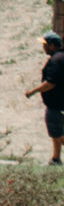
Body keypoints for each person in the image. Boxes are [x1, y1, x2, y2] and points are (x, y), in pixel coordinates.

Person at [26, 32, 64, 165]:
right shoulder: (61, 57)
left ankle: (56, 158)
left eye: (45, 45)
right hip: (59, 104)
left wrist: (33, 91)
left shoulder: (55, 60)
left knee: (57, 133)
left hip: (57, 104)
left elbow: (50, 83)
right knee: (56, 132)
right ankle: (56, 158)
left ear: (52, 46)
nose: (43, 47)